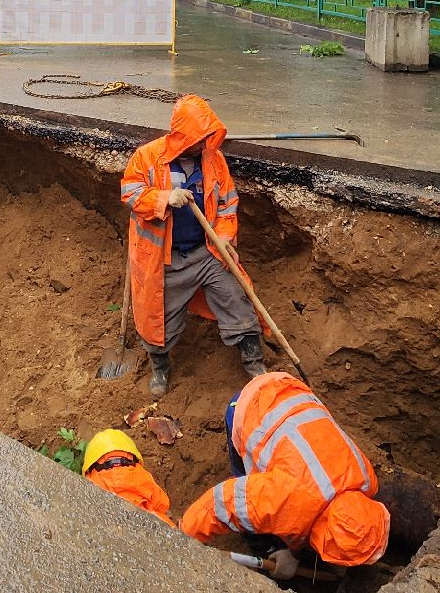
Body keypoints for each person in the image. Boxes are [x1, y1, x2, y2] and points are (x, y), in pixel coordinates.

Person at [121, 94, 265, 398]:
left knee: (235, 297)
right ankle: (160, 367)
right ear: (182, 137)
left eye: (207, 137)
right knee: (159, 320)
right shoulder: (147, 157)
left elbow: (227, 205)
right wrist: (163, 199)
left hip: (206, 253)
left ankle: (254, 363)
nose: (205, 144)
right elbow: (131, 195)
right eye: (200, 138)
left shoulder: (214, 160)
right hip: (166, 260)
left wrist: (224, 240)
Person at [180, 371, 390, 573]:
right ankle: (263, 545)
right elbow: (220, 503)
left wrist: (294, 553)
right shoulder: (285, 500)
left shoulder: (366, 479)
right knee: (245, 486)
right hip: (251, 406)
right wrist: (178, 540)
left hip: (292, 389)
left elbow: (310, 515)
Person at [81, 428, 173, 523]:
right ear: (133, 457)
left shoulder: (91, 479)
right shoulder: (142, 475)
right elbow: (162, 503)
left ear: (91, 464)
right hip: (143, 524)